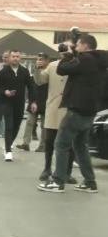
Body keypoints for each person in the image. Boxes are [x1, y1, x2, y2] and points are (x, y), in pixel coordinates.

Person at [39, 34, 108, 193]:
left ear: (84, 45)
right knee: (80, 146)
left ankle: (58, 181)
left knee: (61, 144)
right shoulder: (100, 61)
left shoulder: (85, 60)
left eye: (77, 45)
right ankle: (90, 182)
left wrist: (67, 55)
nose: (76, 47)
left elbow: (62, 70)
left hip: (76, 109)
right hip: (90, 110)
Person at [34, 43, 76, 183]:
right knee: (49, 142)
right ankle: (47, 168)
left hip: (70, 110)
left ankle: (67, 172)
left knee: (70, 144)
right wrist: (38, 68)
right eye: (62, 50)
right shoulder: (52, 65)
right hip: (53, 109)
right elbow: (40, 81)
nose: (64, 53)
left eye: (67, 50)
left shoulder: (78, 65)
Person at [0, 49, 37, 162]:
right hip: (5, 101)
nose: (15, 58)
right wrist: (5, 91)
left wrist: (33, 101)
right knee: (9, 125)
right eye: (13, 56)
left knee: (16, 125)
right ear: (9, 58)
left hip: (19, 102)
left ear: (20, 58)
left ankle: (8, 143)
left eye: (17, 56)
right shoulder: (3, 71)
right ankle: (8, 152)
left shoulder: (24, 71)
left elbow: (31, 87)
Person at [17, 53, 48, 152]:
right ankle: (26, 143)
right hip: (34, 100)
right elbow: (32, 86)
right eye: (38, 59)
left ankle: (43, 145)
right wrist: (31, 100)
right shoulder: (35, 71)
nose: (39, 61)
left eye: (41, 59)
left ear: (47, 61)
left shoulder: (49, 71)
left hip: (46, 101)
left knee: (44, 125)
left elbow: (42, 83)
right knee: (29, 122)